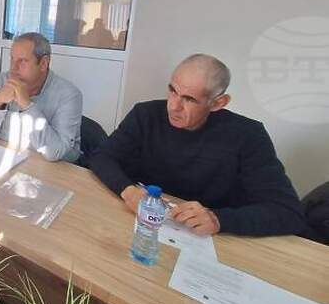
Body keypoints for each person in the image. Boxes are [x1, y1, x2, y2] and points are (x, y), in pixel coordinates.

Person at [87, 54, 305, 237]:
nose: (174, 106)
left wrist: (219, 220)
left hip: (209, 240)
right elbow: (101, 156)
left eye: (189, 99)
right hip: (142, 226)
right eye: (172, 90)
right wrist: (128, 191)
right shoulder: (146, 115)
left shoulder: (248, 135)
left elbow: (288, 212)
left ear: (218, 103)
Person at [0, 32, 82, 162]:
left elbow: (55, 152)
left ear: (43, 63)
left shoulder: (69, 95)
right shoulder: (2, 81)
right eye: (12, 59)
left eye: (22, 61)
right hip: (5, 158)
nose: (13, 68)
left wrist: (27, 105)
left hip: (53, 168)